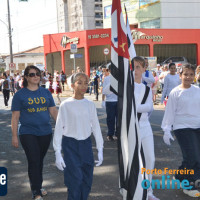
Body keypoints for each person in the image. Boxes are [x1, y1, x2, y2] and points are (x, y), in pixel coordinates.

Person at [53, 72, 104, 200]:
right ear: (72, 85)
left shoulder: (90, 105)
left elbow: (96, 128)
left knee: (87, 180)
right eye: (79, 82)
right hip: (70, 146)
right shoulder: (66, 105)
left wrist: (100, 149)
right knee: (74, 181)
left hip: (86, 145)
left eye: (86, 83)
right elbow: (59, 129)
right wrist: (57, 152)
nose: (83, 86)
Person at [11, 65, 58, 200]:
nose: (36, 76)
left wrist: (63, 127)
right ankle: (36, 192)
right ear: (26, 77)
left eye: (38, 73)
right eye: (32, 74)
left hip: (45, 132)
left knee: (39, 161)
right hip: (28, 133)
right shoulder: (20, 95)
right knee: (34, 161)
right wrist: (14, 136)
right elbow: (15, 117)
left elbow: (54, 112)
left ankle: (38, 185)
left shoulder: (46, 92)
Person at [161, 64, 200, 198]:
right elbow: (170, 112)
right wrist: (166, 129)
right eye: (185, 74)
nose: (188, 77)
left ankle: (179, 176)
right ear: (180, 75)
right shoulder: (175, 92)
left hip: (197, 127)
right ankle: (187, 185)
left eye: (191, 74)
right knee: (192, 157)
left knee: (197, 158)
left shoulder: (197, 90)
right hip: (182, 128)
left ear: (194, 75)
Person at [133, 56, 159, 200]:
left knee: (150, 158)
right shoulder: (126, 86)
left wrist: (134, 107)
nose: (135, 70)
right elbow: (106, 89)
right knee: (133, 161)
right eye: (133, 67)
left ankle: (148, 191)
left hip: (144, 126)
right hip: (130, 128)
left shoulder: (146, 89)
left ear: (144, 69)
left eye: (138, 67)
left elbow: (149, 106)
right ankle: (133, 189)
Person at [102, 67, 118, 141]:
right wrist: (103, 100)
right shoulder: (106, 78)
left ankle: (117, 133)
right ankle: (110, 134)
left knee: (119, 119)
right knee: (110, 119)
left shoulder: (120, 78)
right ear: (109, 70)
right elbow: (104, 90)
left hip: (118, 101)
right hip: (109, 101)